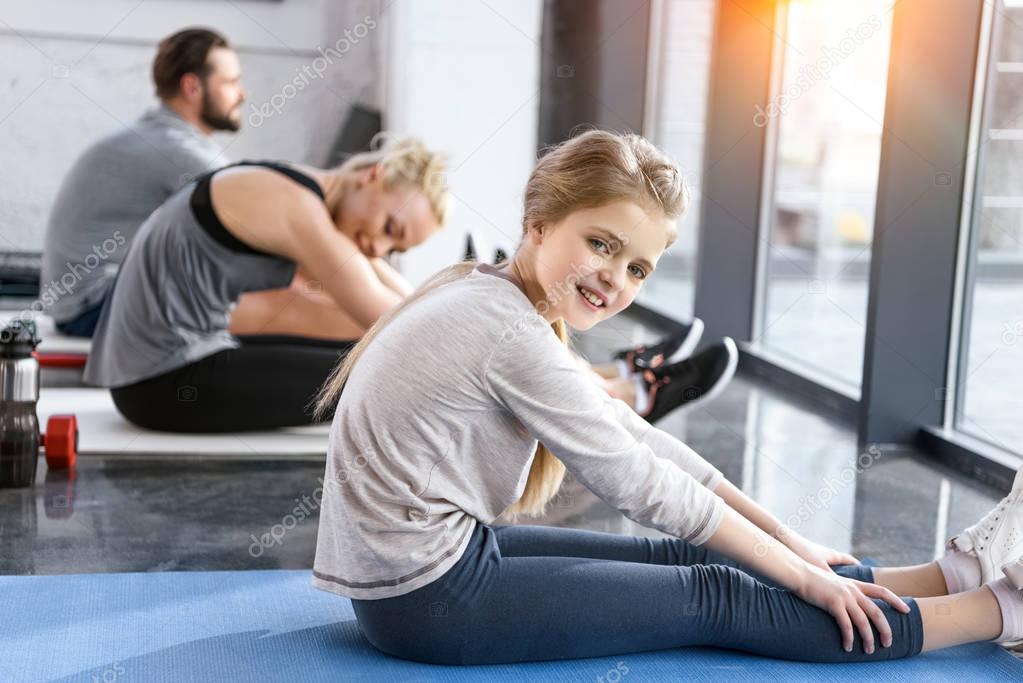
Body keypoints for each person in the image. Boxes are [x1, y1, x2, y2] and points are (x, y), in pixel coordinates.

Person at [310, 129, 1023, 665]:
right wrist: (804, 579)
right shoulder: (507, 331)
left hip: (426, 570)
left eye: (638, 267)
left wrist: (791, 542)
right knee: (717, 594)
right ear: (538, 222)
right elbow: (641, 483)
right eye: (601, 242)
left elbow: (635, 434)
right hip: (426, 600)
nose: (614, 278)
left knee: (683, 559)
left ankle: (944, 576)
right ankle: (998, 608)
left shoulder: (492, 294)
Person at [83, 135, 450, 432]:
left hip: (167, 367)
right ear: (375, 175)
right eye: (389, 227)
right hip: (159, 385)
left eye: (395, 248)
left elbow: (388, 286)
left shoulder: (302, 190)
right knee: (383, 375)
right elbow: (394, 321)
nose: (378, 247)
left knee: (367, 353)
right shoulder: (296, 208)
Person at [40, 27, 244, 338]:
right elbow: (249, 228)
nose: (242, 93)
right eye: (230, 82)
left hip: (84, 302)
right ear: (192, 87)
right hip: (93, 306)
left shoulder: (163, 136)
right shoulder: (178, 150)